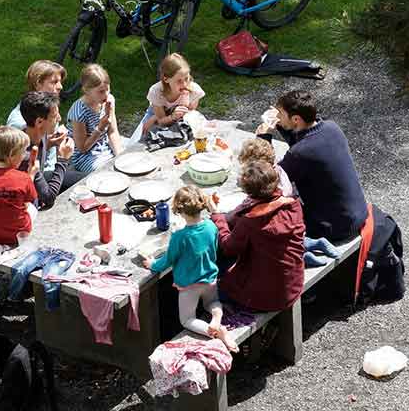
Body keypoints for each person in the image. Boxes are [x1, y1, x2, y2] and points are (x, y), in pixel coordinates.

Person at [257, 90, 368, 242]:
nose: (277, 117)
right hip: (358, 213)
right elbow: (304, 141)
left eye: (280, 114)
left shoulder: (300, 153)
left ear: (296, 119)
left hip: (334, 227)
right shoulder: (331, 128)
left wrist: (264, 138)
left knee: (267, 211)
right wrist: (282, 125)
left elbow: (268, 178)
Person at [141, 186, 238, 352]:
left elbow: (168, 260)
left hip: (189, 286)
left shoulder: (180, 236)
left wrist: (152, 264)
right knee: (213, 303)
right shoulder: (211, 226)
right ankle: (217, 316)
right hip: (210, 278)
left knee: (187, 320)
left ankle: (214, 331)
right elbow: (213, 247)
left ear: (179, 210)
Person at [211, 161, 306, 312]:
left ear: (249, 193)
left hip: (266, 298)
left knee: (213, 284)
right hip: (293, 284)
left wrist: (216, 216)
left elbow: (228, 247)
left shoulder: (250, 221)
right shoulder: (293, 205)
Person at [231, 138, 341, 267]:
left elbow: (250, 207)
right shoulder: (278, 171)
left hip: (278, 228)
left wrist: (226, 216)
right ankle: (317, 243)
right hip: (294, 224)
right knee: (297, 240)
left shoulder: (265, 187)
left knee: (265, 242)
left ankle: (304, 257)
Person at [19, 91, 85, 209]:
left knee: (84, 180)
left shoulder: (34, 132)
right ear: (39, 121)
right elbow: (48, 198)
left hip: (40, 177)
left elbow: (42, 146)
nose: (59, 118)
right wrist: (63, 159)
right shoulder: (26, 157)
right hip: (27, 204)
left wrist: (53, 142)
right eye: (54, 116)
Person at [6, 60, 68, 172]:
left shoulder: (49, 108)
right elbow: (20, 163)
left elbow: (37, 147)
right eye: (54, 82)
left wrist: (52, 142)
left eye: (60, 82)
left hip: (51, 168)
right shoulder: (20, 122)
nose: (60, 87)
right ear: (38, 83)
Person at [130, 53, 205, 142]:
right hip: (156, 113)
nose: (184, 84)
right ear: (166, 79)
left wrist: (183, 111)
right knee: (136, 142)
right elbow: (161, 121)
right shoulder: (156, 91)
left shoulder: (194, 90)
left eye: (186, 78)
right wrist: (159, 118)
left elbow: (188, 117)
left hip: (177, 118)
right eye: (179, 81)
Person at [66, 64, 124, 172]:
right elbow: (82, 148)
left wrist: (119, 155)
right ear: (86, 90)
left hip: (104, 145)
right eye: (101, 91)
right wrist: (100, 128)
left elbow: (112, 131)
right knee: (105, 173)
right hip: (84, 156)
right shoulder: (79, 112)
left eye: (108, 89)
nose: (106, 94)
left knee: (127, 162)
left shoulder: (109, 100)